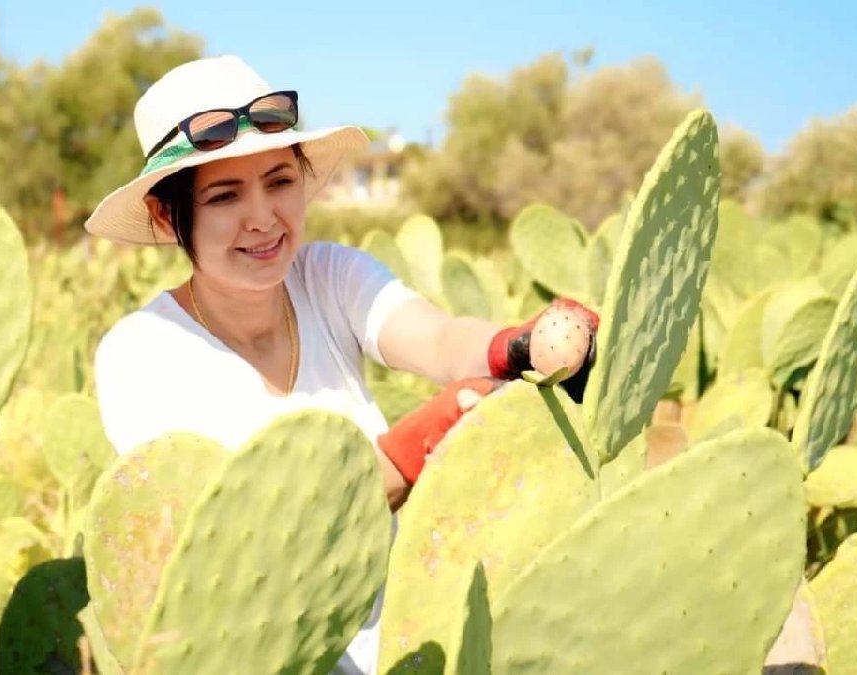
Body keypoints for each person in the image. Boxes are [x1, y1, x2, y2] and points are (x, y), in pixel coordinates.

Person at [85, 54, 598, 675]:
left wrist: (521, 345)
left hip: (409, 647)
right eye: (225, 195)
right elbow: (249, 540)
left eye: (279, 181)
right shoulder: (142, 354)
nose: (263, 218)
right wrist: (420, 445)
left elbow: (437, 339)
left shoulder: (328, 276)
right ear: (170, 216)